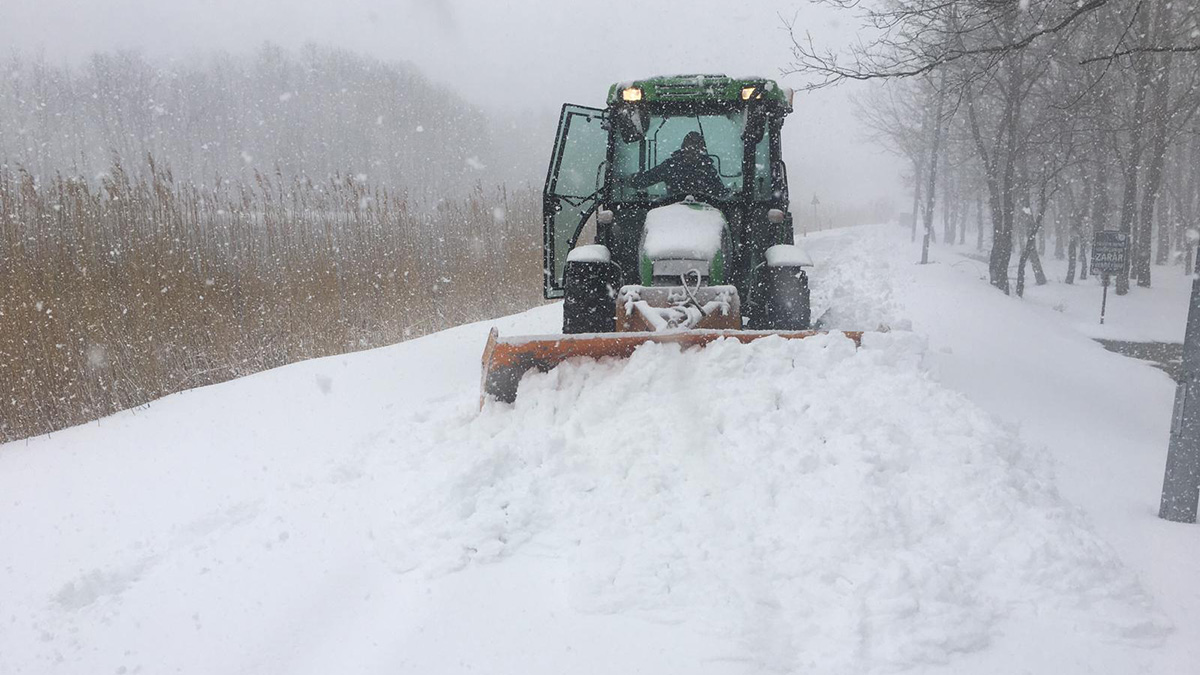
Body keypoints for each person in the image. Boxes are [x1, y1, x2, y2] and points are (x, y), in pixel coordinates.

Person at [627, 131, 727, 199]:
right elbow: (646, 179)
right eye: (688, 150)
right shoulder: (671, 166)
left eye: (695, 150)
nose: (691, 154)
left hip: (704, 214)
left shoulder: (708, 169)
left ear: (701, 151)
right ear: (683, 149)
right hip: (673, 212)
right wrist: (629, 180)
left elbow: (721, 194)